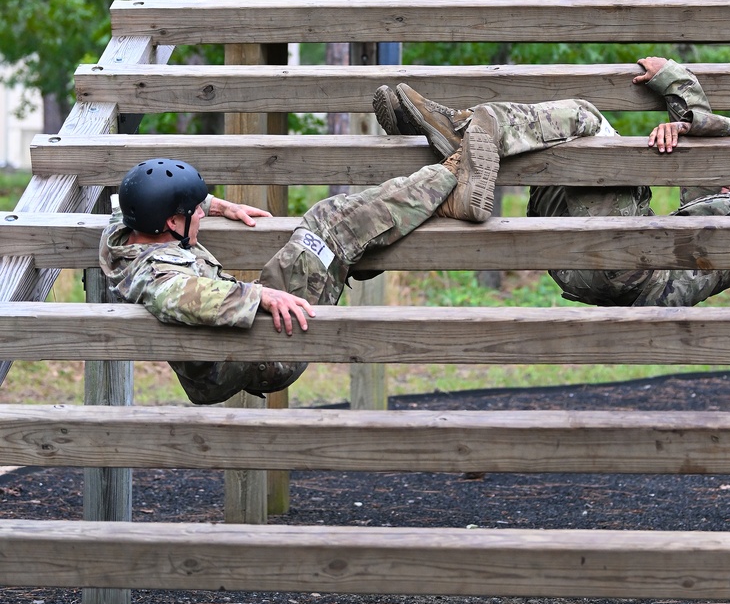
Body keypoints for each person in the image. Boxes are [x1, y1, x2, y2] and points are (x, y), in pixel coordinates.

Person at [99, 104, 502, 405]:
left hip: (238, 339)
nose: (201, 214)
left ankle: (437, 198)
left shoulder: (126, 229)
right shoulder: (155, 279)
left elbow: (150, 196)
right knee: (331, 223)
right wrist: (263, 296)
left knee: (330, 231)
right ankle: (453, 173)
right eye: (195, 212)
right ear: (171, 222)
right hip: (260, 356)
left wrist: (219, 205)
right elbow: (185, 298)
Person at [374, 56, 730, 309]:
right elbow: (702, 127)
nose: (726, 179)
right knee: (550, 144)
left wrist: (696, 125)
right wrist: (677, 84)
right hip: (577, 260)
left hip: (630, 270)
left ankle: (466, 127)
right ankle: (461, 150)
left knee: (586, 118)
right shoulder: (721, 199)